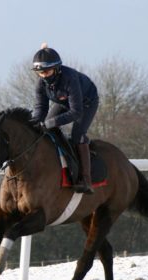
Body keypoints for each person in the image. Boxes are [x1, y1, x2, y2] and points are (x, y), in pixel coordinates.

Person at [30, 43, 99, 194]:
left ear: (56, 68)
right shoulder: (41, 84)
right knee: (45, 130)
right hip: (64, 102)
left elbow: (76, 112)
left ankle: (86, 180)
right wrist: (34, 124)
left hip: (86, 102)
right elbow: (40, 109)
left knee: (77, 135)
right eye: (40, 72)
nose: (43, 76)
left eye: (46, 72)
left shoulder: (70, 78)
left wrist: (50, 122)